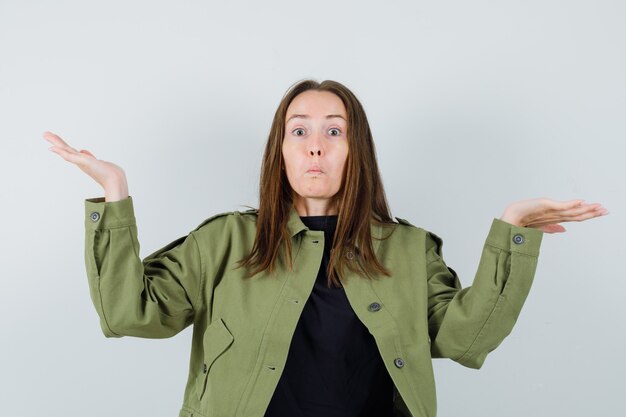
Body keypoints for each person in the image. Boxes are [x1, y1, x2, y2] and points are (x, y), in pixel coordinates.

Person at [44, 79, 608, 417]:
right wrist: (114, 194)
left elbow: (467, 339)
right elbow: (127, 313)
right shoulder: (225, 242)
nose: (316, 146)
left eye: (334, 131)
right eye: (300, 131)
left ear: (354, 148)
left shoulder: (408, 251)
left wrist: (513, 233)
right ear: (281, 151)